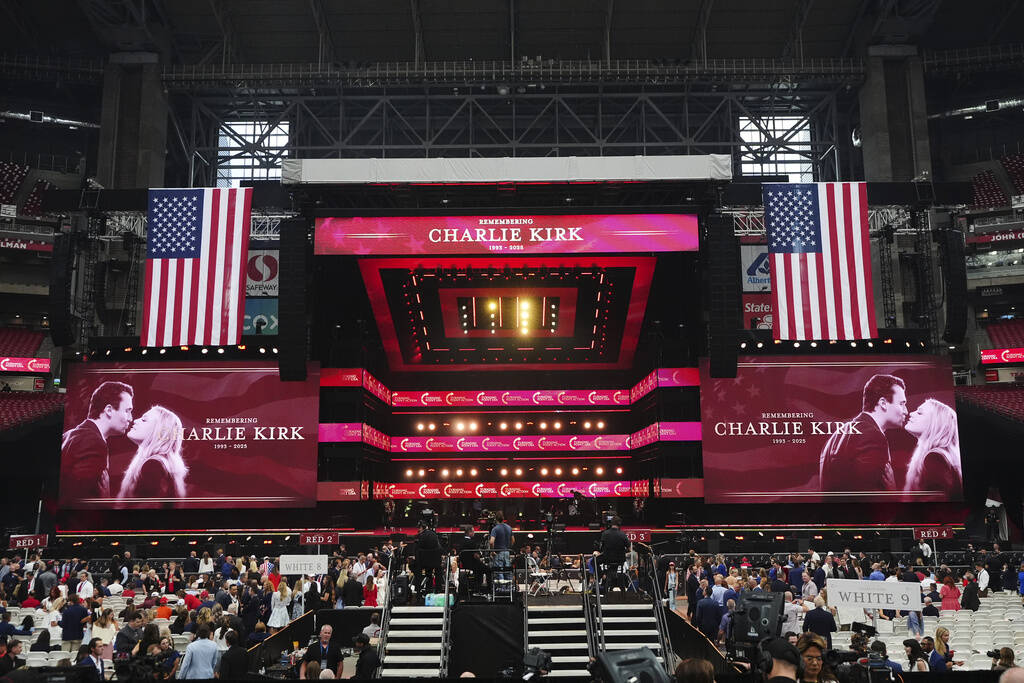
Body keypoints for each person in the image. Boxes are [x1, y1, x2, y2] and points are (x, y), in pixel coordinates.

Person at [819, 374, 907, 491]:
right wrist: (892, 494)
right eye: (902, 404)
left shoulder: (835, 436)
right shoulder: (873, 436)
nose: (906, 411)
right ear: (883, 403)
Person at [61, 381, 134, 499]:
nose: (130, 418)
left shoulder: (69, 435)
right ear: (109, 410)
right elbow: (80, 501)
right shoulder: (94, 443)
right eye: (127, 411)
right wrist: (104, 500)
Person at [116, 405, 189, 501]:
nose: (135, 421)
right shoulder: (161, 463)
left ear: (161, 432)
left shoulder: (153, 466)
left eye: (144, 420)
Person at [903, 399, 962, 496]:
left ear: (936, 423)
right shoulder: (940, 455)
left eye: (920, 413)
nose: (911, 413)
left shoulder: (935, 457)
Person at [594, 516, 628, 593]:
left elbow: (601, 548)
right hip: (620, 559)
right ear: (619, 524)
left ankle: (602, 575)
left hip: (607, 558)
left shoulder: (605, 533)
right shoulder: (623, 535)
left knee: (594, 561)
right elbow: (629, 548)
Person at [489, 511, 514, 587]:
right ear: (503, 518)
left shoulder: (495, 529)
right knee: (507, 570)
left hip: (498, 552)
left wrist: (492, 551)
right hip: (507, 552)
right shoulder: (509, 527)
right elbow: (513, 540)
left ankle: (501, 590)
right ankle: (509, 589)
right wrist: (508, 547)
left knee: (499, 571)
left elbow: (491, 542)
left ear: (496, 519)